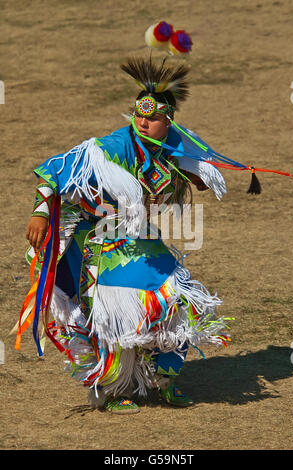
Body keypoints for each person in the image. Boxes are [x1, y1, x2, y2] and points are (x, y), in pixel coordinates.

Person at [17, 57, 230, 414]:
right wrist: (40, 213)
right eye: (139, 114)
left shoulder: (176, 144)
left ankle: (163, 379)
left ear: (169, 120)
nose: (143, 121)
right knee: (117, 313)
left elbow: (198, 170)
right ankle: (115, 388)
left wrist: (193, 173)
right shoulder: (109, 148)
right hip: (105, 243)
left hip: (143, 240)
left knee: (174, 303)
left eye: (154, 117)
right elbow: (54, 171)